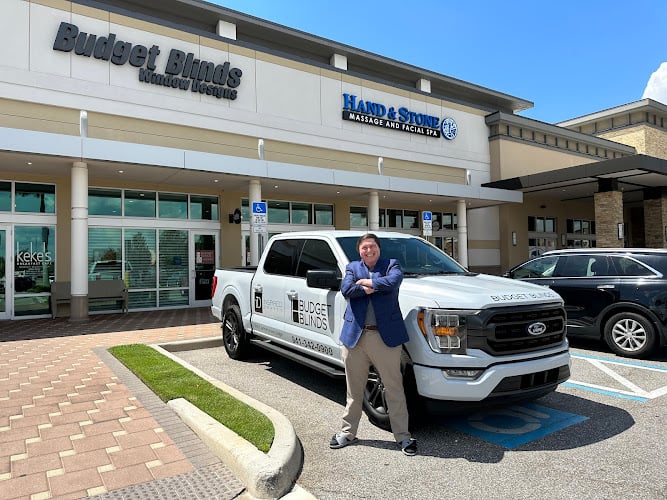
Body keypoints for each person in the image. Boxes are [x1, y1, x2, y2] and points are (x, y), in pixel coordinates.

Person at [329, 233, 417, 456]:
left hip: (384, 338)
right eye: (364, 248)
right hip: (355, 338)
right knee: (354, 390)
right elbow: (347, 290)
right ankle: (347, 433)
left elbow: (393, 282)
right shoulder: (351, 267)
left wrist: (368, 283)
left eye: (372, 247)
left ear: (379, 248)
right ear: (359, 251)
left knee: (394, 388)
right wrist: (370, 288)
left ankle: (403, 437)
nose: (369, 251)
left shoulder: (391, 265)